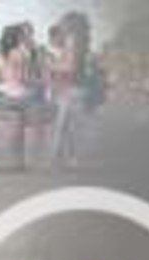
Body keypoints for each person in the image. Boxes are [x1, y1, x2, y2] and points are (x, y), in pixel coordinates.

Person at [48, 12, 92, 168]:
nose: (61, 25)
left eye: (63, 23)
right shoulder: (77, 42)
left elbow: (70, 68)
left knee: (64, 126)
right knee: (68, 127)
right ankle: (68, 158)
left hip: (71, 89)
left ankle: (59, 158)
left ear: (70, 25)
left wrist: (53, 67)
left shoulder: (72, 42)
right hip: (72, 89)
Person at [0, 24, 34, 171]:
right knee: (18, 129)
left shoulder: (8, 52)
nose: (26, 36)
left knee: (15, 128)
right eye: (23, 34)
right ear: (17, 37)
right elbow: (22, 76)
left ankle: (17, 160)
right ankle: (18, 161)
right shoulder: (18, 53)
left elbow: (7, 74)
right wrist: (33, 81)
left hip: (9, 90)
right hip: (18, 92)